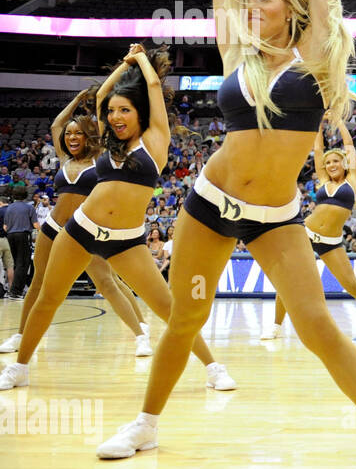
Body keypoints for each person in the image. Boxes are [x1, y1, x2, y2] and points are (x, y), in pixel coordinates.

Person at [95, 0, 356, 469]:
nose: (251, 7)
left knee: (316, 327)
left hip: (275, 216)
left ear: (291, 7)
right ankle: (145, 424)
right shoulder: (236, 54)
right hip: (207, 206)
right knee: (185, 319)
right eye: (248, 0)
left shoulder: (315, 58)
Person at [0, 45, 231, 392]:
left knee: (169, 308)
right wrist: (122, 67)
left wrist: (138, 60)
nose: (115, 116)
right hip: (81, 229)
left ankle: (213, 368)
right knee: (48, 297)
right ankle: (19, 368)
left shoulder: (155, 140)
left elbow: (153, 89)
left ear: (139, 113)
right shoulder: (109, 143)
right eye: (111, 112)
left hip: (126, 240)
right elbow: (102, 96)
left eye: (124, 110)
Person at [1, 90, 152, 357]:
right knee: (38, 282)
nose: (71, 137)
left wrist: (98, 104)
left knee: (106, 283)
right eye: (69, 134)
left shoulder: (100, 160)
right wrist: (76, 100)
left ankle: (141, 334)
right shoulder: (64, 158)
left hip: (83, 231)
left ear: (88, 137)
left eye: (77, 133)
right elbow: (57, 124)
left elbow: (106, 129)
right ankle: (20, 335)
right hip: (52, 228)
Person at [264, 117, 356, 339]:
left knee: (352, 285)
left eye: (335, 162)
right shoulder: (323, 180)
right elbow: (318, 149)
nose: (330, 165)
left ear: (344, 164)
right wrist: (319, 124)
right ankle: (276, 326)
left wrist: (339, 122)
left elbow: (349, 148)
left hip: (331, 241)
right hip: (306, 232)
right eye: (328, 163)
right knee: (288, 279)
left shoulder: (353, 181)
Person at [2, 183, 36, 298]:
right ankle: (16, 292)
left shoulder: (9, 208)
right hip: (23, 235)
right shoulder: (29, 208)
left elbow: (5, 227)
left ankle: (12, 289)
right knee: (23, 264)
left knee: (15, 263)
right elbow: (36, 225)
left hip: (10, 236)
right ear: (25, 195)